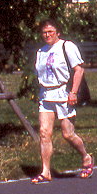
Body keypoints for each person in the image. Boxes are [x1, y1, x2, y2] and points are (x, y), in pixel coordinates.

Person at [32, 19, 93, 183]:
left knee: (68, 134)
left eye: (51, 31)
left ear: (57, 32)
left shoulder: (67, 46)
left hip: (63, 93)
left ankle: (86, 157)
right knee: (44, 133)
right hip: (46, 95)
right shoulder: (41, 51)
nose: (47, 35)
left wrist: (73, 92)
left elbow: (79, 69)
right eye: (44, 32)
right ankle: (46, 171)